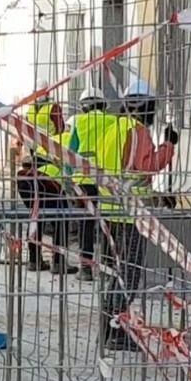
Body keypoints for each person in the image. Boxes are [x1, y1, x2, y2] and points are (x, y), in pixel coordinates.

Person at [93, 76, 178, 350]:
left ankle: (108, 329)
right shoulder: (138, 130)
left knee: (114, 275)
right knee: (127, 276)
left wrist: (155, 195)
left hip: (109, 212)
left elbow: (124, 172)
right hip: (129, 216)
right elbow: (144, 167)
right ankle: (114, 330)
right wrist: (168, 147)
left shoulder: (112, 128)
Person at [15, 95, 77, 275]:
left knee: (37, 216)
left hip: (26, 176)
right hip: (46, 180)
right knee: (62, 218)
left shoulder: (32, 113)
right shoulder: (67, 138)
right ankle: (59, 262)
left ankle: (34, 261)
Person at [68, 86, 112, 270]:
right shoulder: (112, 121)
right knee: (110, 221)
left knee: (86, 223)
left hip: (85, 179)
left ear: (83, 106)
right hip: (108, 179)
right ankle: (109, 264)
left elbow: (71, 151)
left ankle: (85, 267)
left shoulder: (78, 122)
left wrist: (68, 177)